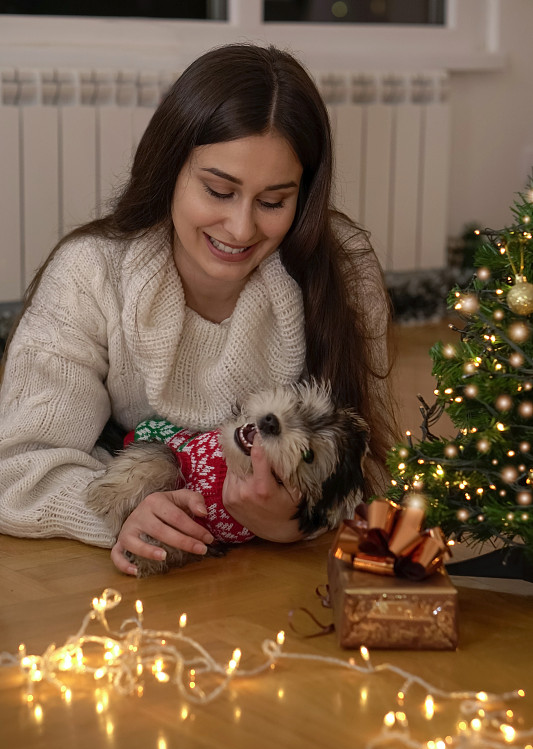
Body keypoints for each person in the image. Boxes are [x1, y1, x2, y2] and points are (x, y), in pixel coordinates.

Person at [0, 43, 398, 575]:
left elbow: (367, 468)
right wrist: (118, 512)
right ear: (169, 170)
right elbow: (18, 466)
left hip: (273, 586)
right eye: (217, 190)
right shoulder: (90, 274)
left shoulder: (343, 271)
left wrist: (295, 523)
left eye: (274, 201)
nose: (241, 229)